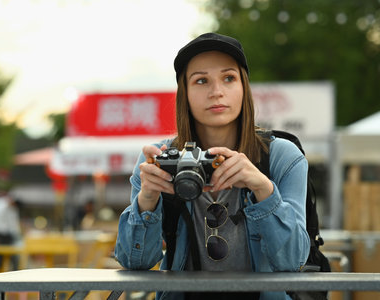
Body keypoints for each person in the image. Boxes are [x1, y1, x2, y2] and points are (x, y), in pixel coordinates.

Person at [114, 32, 310, 300]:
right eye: (201, 80)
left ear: (244, 87)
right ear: (185, 94)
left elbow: (293, 262)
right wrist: (147, 199)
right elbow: (134, 262)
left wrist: (263, 188)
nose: (216, 91)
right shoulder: (158, 159)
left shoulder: (281, 157)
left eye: (229, 78)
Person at [0, 191, 22, 270]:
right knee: (2, 255)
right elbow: (11, 223)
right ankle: (0, 271)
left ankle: (1, 271)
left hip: (1, 233)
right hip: (1, 234)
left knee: (3, 255)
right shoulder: (4, 204)